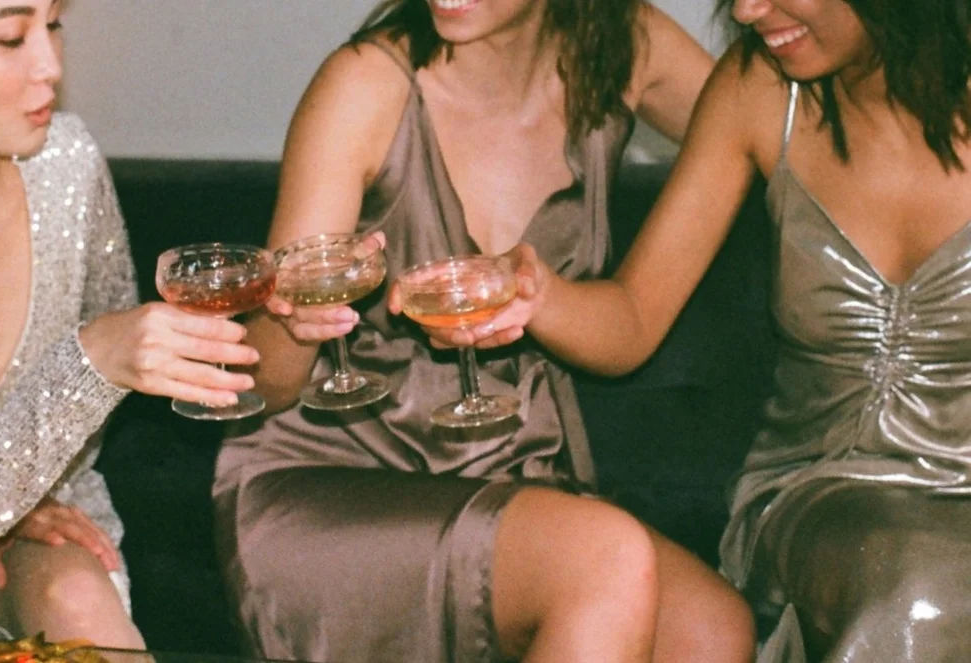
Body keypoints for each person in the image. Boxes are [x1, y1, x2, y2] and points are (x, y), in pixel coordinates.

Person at [423, 0, 971, 659]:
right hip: (827, 491)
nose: (746, 9)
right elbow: (631, 319)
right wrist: (537, 296)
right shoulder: (760, 89)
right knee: (920, 585)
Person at [212, 0, 756, 661]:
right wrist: (295, 320)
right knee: (604, 559)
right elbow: (265, 386)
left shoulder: (624, 44)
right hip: (330, 480)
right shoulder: (364, 85)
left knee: (711, 627)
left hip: (510, 468)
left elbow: (781, 129)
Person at [0, 0, 262, 647]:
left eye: (53, 26)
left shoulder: (65, 164)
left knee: (77, 593)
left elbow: (87, 430)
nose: (49, 65)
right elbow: (95, 366)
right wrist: (91, 361)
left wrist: (8, 492)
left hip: (36, 526)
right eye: (11, 36)